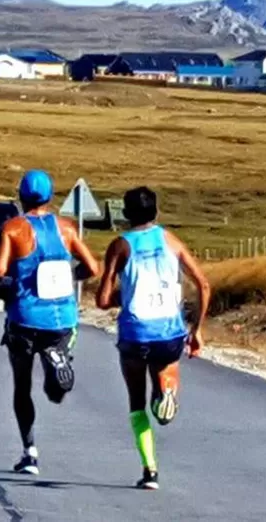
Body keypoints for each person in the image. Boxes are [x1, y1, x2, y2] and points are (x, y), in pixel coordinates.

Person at [95, 186, 211, 491]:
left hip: (135, 333)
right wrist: (197, 329)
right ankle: (166, 393)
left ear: (126, 214)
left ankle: (150, 470)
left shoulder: (120, 246)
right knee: (165, 370)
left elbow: (103, 300)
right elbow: (203, 284)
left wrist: (127, 294)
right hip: (169, 331)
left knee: (136, 402)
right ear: (156, 212)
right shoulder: (170, 240)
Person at [0, 169, 101, 476]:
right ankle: (57, 358)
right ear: (51, 196)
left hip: (25, 317)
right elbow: (92, 267)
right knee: (55, 392)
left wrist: (0, 285)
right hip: (62, 317)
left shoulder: (12, 229)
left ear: (20, 196)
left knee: (22, 386)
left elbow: (0, 272)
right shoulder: (66, 228)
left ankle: (30, 452)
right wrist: (69, 276)